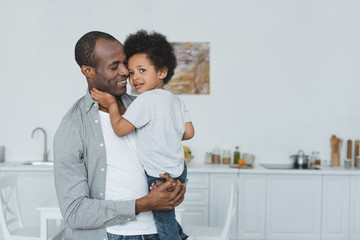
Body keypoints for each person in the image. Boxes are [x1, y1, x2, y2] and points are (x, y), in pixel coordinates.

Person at [53, 31, 186, 240]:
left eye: (126, 63)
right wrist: (143, 204)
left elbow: (169, 150)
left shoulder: (145, 104)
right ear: (88, 71)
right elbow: (74, 213)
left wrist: (174, 187)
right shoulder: (73, 127)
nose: (126, 72)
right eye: (114, 66)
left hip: (160, 231)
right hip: (115, 235)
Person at [90, 30, 194, 240]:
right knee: (167, 215)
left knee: (163, 223)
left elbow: (120, 130)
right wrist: (163, 133)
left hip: (158, 174)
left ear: (162, 72)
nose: (135, 77)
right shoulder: (176, 100)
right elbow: (189, 132)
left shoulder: (145, 100)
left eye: (142, 70)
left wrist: (111, 104)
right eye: (131, 73)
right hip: (178, 170)